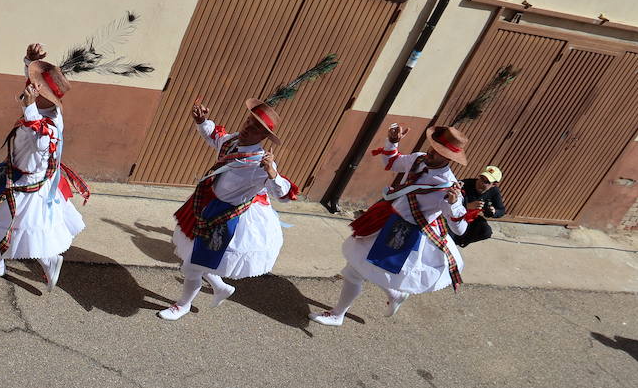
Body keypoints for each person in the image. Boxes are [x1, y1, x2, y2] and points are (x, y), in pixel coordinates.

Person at [310, 125, 471, 326]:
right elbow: (391, 162)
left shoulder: (448, 186)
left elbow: (460, 230)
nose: (431, 152)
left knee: (357, 270)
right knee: (358, 268)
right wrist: (393, 142)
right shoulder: (419, 158)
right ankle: (391, 295)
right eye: (433, 147)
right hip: (386, 219)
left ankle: (339, 314)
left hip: (406, 233)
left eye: (439, 152)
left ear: (448, 159)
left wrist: (454, 204)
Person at [0, 44, 89, 291]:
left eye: (35, 85)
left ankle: (11, 263)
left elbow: (36, 150)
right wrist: (30, 61)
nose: (29, 87)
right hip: (30, 182)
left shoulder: (47, 126)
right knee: (25, 229)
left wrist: (29, 109)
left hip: (25, 185)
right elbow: (30, 92)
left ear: (42, 95)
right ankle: (33, 261)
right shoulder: (44, 107)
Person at [157, 98, 297, 320]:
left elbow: (284, 195)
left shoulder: (260, 163)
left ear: (263, 137)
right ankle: (221, 287)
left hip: (226, 217)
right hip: (206, 204)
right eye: (248, 121)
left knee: (192, 267)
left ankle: (182, 306)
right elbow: (215, 136)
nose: (247, 128)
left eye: (255, 128)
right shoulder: (232, 142)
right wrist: (202, 121)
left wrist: (272, 173)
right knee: (195, 256)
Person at [457, 165, 506, 248]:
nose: (481, 183)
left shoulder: (494, 191)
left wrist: (493, 211)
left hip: (470, 218)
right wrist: (467, 206)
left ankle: (460, 242)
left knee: (486, 231)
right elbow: (447, 203)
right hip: (456, 215)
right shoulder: (466, 184)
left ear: (494, 184)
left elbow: (501, 210)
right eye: (481, 178)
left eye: (487, 182)